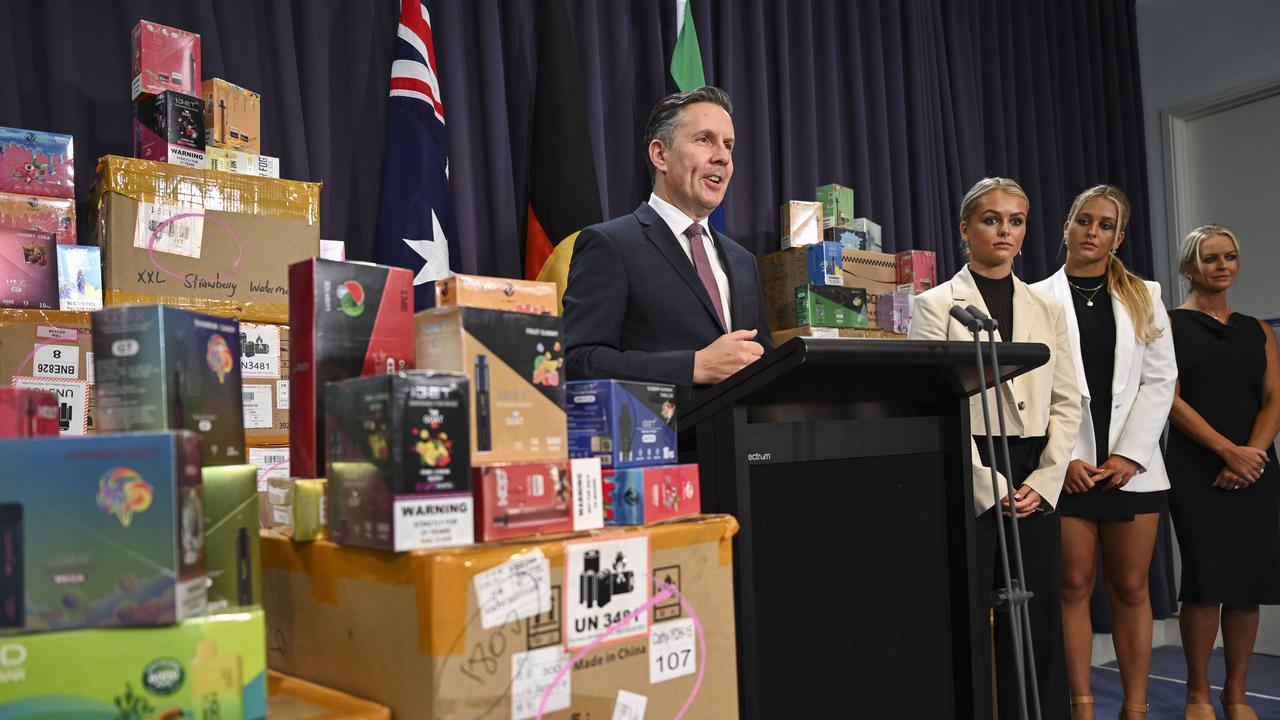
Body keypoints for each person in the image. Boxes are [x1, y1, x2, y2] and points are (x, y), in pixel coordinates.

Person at [909, 177, 1081, 720]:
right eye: (991, 219)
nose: (1004, 230)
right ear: (966, 229)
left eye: (1016, 220)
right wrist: (991, 484)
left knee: (1039, 620)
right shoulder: (934, 305)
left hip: (1035, 473)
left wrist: (1046, 479)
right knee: (966, 615)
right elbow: (936, 404)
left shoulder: (1047, 307)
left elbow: (1067, 399)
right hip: (973, 467)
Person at [1030, 185, 1176, 719]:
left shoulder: (1145, 293)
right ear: (1066, 226)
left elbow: (1161, 381)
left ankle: (1135, 709)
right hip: (1067, 467)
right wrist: (1061, 456)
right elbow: (1031, 385)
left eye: (1105, 225)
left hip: (1132, 470)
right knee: (1071, 586)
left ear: (1119, 236)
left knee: (1132, 588)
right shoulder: (1035, 296)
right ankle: (1083, 706)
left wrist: (1132, 455)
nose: (1093, 232)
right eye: (1084, 221)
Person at [563, 86, 772, 394]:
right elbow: (576, 361)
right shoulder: (610, 245)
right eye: (705, 140)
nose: (723, 158)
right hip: (664, 440)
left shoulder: (743, 261)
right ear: (660, 154)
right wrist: (693, 367)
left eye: (729, 146)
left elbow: (762, 364)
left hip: (742, 441)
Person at [1166, 224, 1280, 720]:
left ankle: (1236, 694)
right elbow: (1167, 399)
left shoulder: (1258, 329)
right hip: (1196, 466)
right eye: (1210, 258)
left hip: (1255, 467)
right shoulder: (1168, 325)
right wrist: (1225, 451)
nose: (1222, 266)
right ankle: (1196, 693)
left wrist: (1250, 455)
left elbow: (1275, 399)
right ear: (1189, 267)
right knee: (1205, 579)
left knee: (1245, 583)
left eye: (1230, 256)